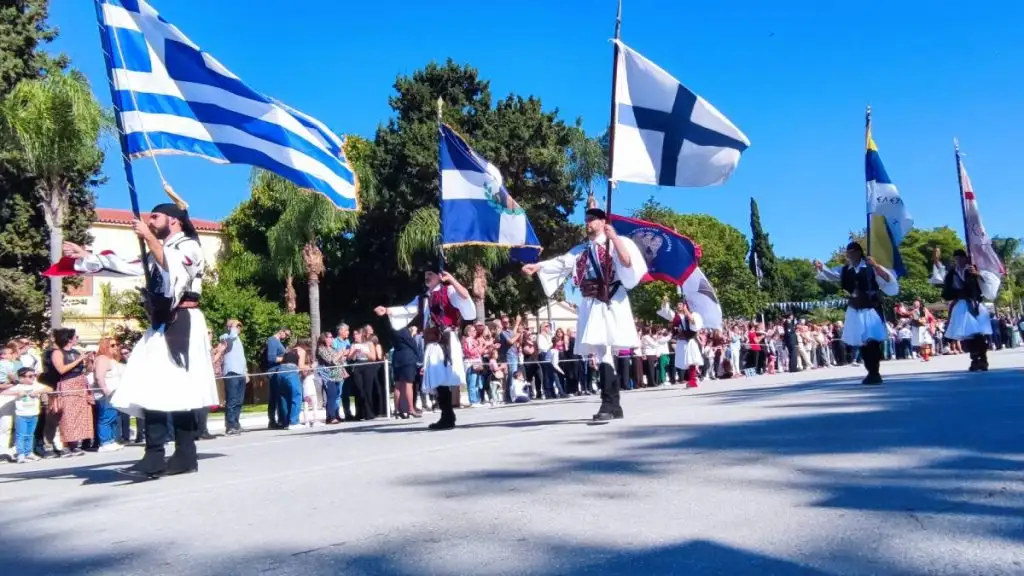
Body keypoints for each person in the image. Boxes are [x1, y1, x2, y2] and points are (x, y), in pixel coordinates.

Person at [62, 202, 218, 477]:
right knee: (154, 385)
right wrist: (85, 255)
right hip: (161, 323)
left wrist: (147, 237)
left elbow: (175, 270)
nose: (149, 219)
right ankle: (160, 455)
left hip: (182, 321)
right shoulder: (157, 250)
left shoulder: (189, 246)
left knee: (177, 389)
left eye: (155, 216)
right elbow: (125, 266)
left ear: (174, 220)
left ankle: (180, 455)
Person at [522, 206, 646, 421]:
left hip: (610, 300)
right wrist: (539, 266)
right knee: (600, 351)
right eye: (586, 219)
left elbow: (627, 262)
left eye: (592, 219)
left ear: (602, 222)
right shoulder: (581, 250)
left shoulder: (616, 243)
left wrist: (614, 237)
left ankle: (608, 403)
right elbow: (561, 262)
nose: (588, 223)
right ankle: (613, 404)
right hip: (590, 302)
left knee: (605, 350)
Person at [375, 267, 476, 430]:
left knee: (443, 378)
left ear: (439, 276)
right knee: (438, 379)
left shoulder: (448, 291)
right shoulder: (422, 298)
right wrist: (387, 310)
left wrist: (451, 278)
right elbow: (408, 310)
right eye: (425, 275)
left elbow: (464, 296)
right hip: (432, 341)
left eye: (431, 274)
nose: (427, 277)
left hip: (445, 341)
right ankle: (448, 415)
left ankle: (447, 415)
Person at [814, 241, 899, 385]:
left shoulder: (870, 266)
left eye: (852, 251)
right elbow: (832, 275)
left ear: (859, 252)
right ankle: (871, 372)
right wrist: (822, 267)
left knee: (872, 341)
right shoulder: (845, 269)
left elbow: (887, 278)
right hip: (855, 308)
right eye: (848, 252)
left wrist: (876, 265)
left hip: (870, 307)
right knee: (863, 342)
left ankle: (874, 371)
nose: (849, 254)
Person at [929, 248, 999, 371]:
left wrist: (977, 274)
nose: (959, 260)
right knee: (968, 335)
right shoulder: (952, 272)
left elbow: (989, 281)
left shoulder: (973, 269)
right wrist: (936, 261)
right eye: (956, 258)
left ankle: (983, 359)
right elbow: (941, 273)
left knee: (978, 334)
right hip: (961, 304)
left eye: (961, 258)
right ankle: (975, 359)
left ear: (966, 258)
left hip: (975, 303)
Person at [2, 368, 51, 463]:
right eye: (30, 376)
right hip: (21, 415)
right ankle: (20, 453)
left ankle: (29, 453)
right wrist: (17, 393)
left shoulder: (36, 386)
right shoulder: (18, 387)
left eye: (34, 375)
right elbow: (4, 392)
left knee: (30, 435)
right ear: (21, 378)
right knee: (21, 435)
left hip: (33, 414)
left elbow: (50, 388)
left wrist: (38, 392)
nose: (33, 378)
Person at [658, 297, 703, 388]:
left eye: (680, 304)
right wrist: (666, 303)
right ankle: (691, 380)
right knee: (686, 362)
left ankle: (693, 380)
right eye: (677, 304)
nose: (678, 306)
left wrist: (686, 310)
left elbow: (693, 322)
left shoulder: (692, 314)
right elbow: (667, 312)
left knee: (691, 361)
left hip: (690, 340)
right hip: (682, 340)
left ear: (685, 305)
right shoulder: (676, 316)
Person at [219, 319, 248, 436]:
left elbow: (242, 358)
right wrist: (233, 326)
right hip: (231, 372)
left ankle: (236, 423)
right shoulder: (225, 337)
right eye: (236, 326)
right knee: (232, 400)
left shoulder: (238, 339)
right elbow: (231, 338)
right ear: (229, 327)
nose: (238, 328)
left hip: (240, 373)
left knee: (239, 400)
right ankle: (230, 425)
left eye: (239, 326)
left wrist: (246, 372)